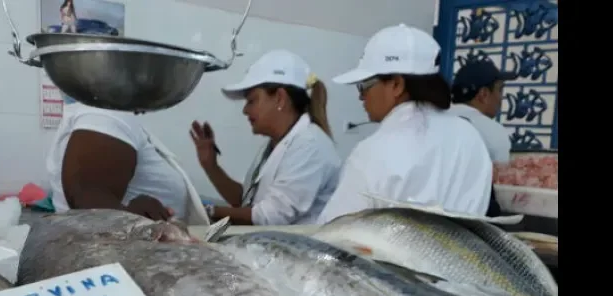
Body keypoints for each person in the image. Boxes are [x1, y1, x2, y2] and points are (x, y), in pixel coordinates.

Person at [316, 24, 494, 224]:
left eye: (364, 86)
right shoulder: (469, 135)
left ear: (396, 85)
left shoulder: (374, 151)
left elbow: (335, 231)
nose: (361, 97)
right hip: (463, 255)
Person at [189, 49, 342, 226]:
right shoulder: (274, 146)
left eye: (252, 100)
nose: (245, 110)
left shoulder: (310, 145)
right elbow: (246, 201)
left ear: (280, 98)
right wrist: (211, 165)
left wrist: (204, 210)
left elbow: (271, 216)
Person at [45, 96, 209, 224]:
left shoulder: (104, 114)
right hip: (126, 258)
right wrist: (131, 218)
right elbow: (88, 199)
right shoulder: (106, 112)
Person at [449, 59, 517, 217]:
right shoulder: (493, 131)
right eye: (499, 90)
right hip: (473, 220)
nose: (501, 99)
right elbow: (501, 180)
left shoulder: (434, 119)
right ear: (483, 94)